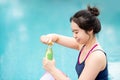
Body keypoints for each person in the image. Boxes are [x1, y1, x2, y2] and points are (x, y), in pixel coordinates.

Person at [40, 5, 108, 80]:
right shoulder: (83, 45)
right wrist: (47, 38)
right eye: (73, 32)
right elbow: (57, 38)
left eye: (76, 32)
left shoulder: (96, 56)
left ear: (90, 30)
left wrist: (52, 69)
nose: (74, 36)